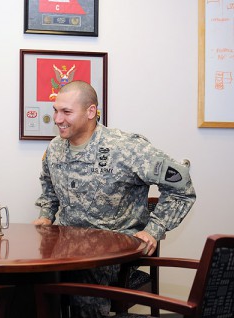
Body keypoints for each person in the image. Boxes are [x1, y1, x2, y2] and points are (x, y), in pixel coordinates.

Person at [33, 80, 196, 317]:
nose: (58, 119)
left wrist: (155, 229)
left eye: (66, 112)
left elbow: (182, 186)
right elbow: (48, 187)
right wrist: (46, 216)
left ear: (91, 111)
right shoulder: (55, 149)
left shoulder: (126, 148)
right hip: (69, 249)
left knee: (84, 279)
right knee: (26, 279)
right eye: (56, 111)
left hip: (115, 252)